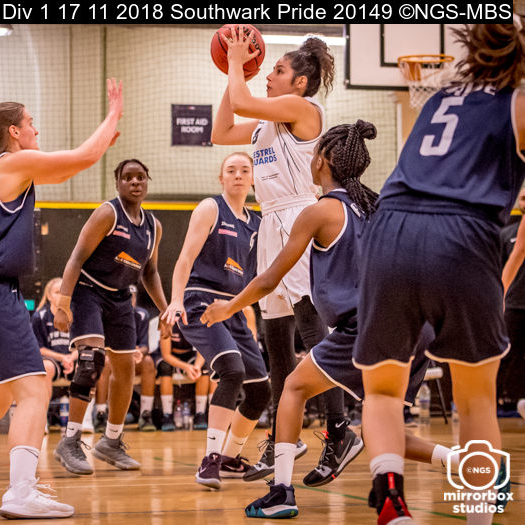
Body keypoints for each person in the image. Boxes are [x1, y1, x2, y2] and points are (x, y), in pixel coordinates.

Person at [202, 121, 448, 518]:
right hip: (412, 326)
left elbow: (268, 280)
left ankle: (282, 492)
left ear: (321, 161)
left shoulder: (319, 212)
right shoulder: (377, 207)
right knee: (381, 429)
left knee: (294, 387)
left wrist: (227, 308)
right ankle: (477, 466)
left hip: (366, 327)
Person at [0, 79, 123, 519]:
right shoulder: (14, 161)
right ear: (14, 131)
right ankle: (21, 492)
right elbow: (82, 158)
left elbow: (68, 167)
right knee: (35, 387)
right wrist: (112, 116)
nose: (36, 129)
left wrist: (102, 137)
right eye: (30, 122)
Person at [353, 24, 524, 524]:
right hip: (462, 233)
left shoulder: (440, 96)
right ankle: (478, 518)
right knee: (476, 401)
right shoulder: (517, 101)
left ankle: (389, 496)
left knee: (382, 391)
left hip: (390, 228)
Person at [211, 27, 356, 484]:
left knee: (312, 328)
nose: (269, 76)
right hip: (270, 222)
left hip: (300, 216)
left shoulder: (303, 108)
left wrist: (237, 63)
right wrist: (230, 70)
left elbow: (243, 101)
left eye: (277, 70)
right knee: (275, 341)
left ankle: (339, 431)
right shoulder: (264, 124)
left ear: (300, 82)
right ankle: (282, 439)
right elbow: (220, 131)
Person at [53, 158, 170, 475]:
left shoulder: (153, 227)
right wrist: (63, 304)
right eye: (128, 177)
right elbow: (76, 257)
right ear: (117, 183)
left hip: (120, 298)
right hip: (88, 291)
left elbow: (150, 272)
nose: (135, 182)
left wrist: (165, 309)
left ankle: (112, 442)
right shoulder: (108, 213)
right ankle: (70, 440)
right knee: (90, 360)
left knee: (125, 368)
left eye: (140, 177)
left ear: (147, 182)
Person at [162, 152, 271, 490]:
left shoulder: (257, 223)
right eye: (230, 170)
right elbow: (185, 258)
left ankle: (229, 458)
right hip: (199, 300)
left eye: (244, 170)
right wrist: (176, 299)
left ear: (253, 178)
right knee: (232, 370)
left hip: (233, 307)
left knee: (260, 391)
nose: (238, 175)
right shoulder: (210, 208)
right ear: (221, 178)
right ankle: (209, 459)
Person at [153, 321, 211, 431]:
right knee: (165, 367)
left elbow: (202, 351)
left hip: (189, 355)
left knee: (204, 367)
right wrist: (186, 367)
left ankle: (200, 413)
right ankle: (167, 414)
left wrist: (197, 367)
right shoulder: (167, 321)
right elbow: (166, 355)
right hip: (170, 356)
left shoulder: (196, 320)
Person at [498, 186, 525, 412]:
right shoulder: (506, 234)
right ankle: (494, 402)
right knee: (504, 354)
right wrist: (500, 296)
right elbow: (514, 257)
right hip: (514, 303)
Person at [32, 278, 77, 397]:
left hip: (73, 359)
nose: (61, 296)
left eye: (64, 292)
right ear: (49, 296)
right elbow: (39, 349)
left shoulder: (77, 315)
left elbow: (84, 345)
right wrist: (62, 358)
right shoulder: (39, 316)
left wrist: (71, 357)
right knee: (46, 367)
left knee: (88, 367)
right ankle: (43, 408)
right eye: (57, 292)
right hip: (52, 360)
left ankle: (96, 408)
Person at [130, 285, 159, 432]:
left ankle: (145, 414)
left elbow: (145, 346)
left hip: (134, 360)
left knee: (148, 362)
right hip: (115, 359)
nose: (130, 300)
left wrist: (138, 352)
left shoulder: (142, 314)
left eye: (132, 297)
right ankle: (101, 414)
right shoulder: (110, 313)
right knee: (106, 362)